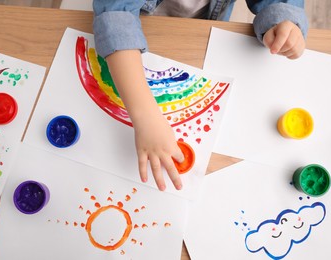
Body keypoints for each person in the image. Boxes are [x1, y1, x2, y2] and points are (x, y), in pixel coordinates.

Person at [92, 0, 308, 191]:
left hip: (200, 31)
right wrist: (145, 117)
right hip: (139, 27)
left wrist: (285, 22)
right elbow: (116, 18)